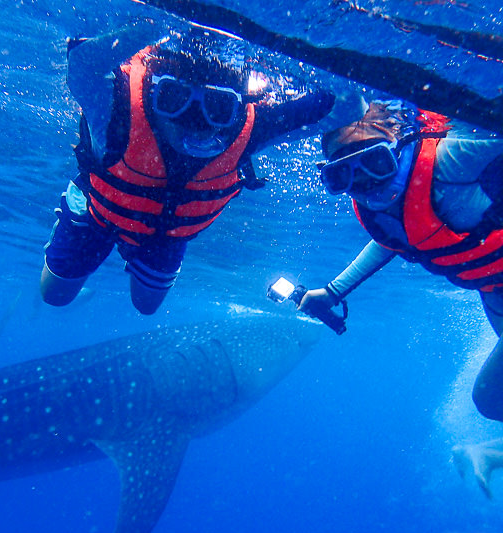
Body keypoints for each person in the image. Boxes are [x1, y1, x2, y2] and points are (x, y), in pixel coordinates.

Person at [300, 100, 503, 480]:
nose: (366, 183)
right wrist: (333, 291)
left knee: (492, 398)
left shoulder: (451, 160)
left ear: (395, 143)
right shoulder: (376, 206)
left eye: (375, 163)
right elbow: (393, 238)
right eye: (343, 177)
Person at [41, 21, 359, 314]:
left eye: (218, 107)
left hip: (166, 237)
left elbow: (351, 106)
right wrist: (160, 26)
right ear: (153, 93)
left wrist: (278, 42)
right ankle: (79, 229)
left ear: (237, 107)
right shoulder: (119, 108)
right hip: (97, 212)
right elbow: (82, 64)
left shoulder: (252, 127)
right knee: (54, 296)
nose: (195, 121)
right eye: (174, 98)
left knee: (146, 306)